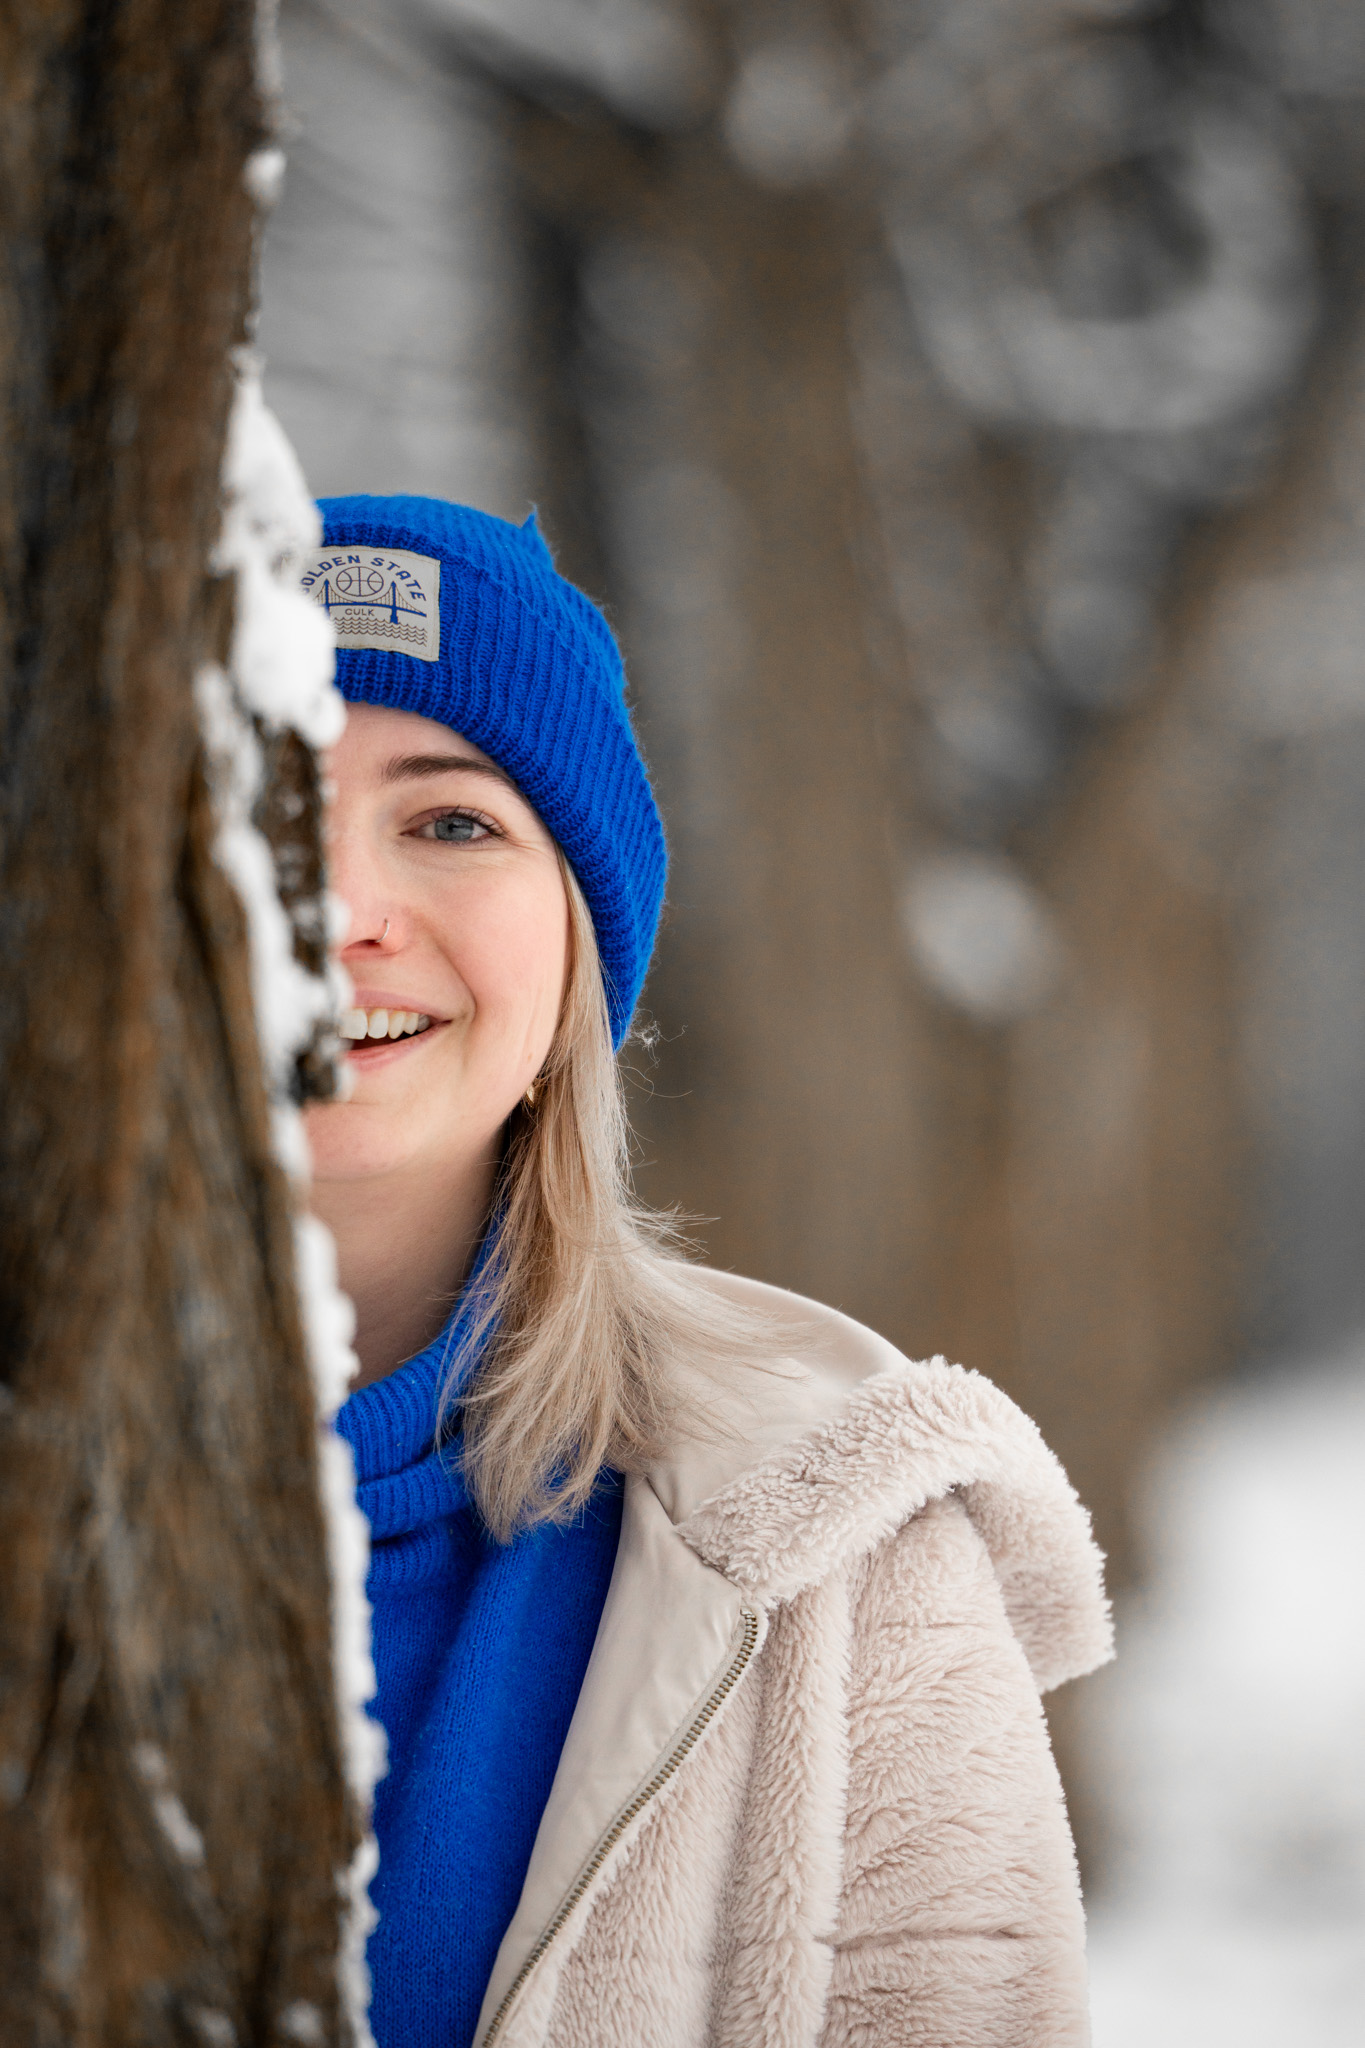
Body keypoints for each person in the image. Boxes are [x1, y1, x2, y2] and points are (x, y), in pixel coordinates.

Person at [299, 494, 1113, 2048]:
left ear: (577, 948)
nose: (338, 912)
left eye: (452, 820)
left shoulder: (842, 1540)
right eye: (249, 806)